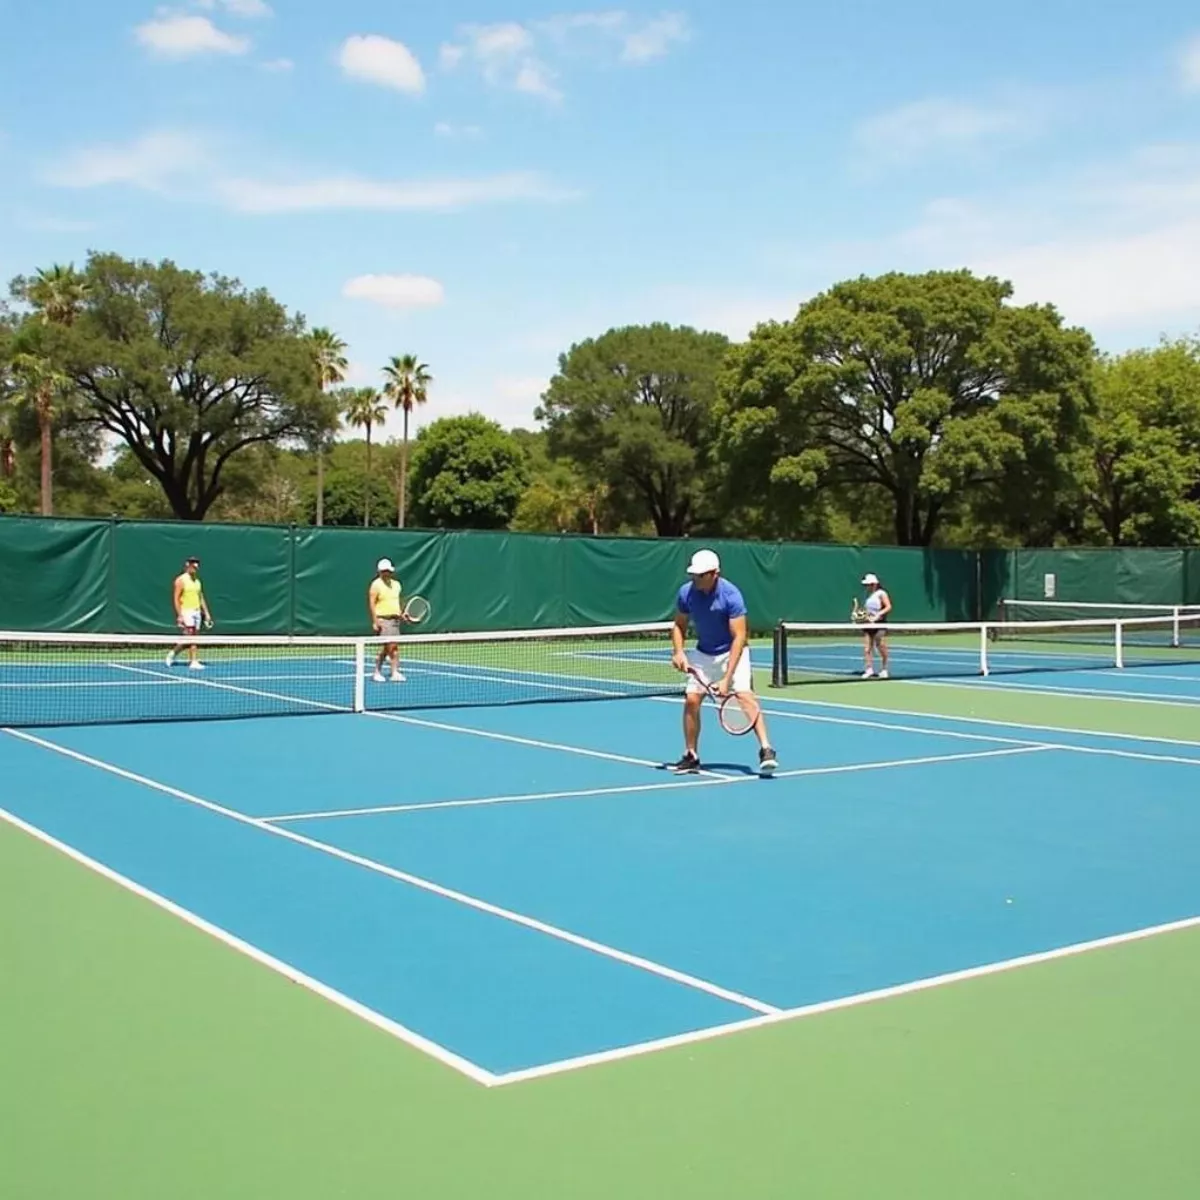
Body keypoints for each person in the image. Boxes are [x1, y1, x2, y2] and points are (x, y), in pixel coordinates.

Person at [669, 548, 778, 775]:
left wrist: (727, 678)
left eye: (701, 575)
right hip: (703, 652)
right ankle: (691, 755)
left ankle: (766, 749)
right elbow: (679, 625)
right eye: (694, 574)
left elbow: (739, 637)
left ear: (714, 574)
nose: (696, 578)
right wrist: (679, 652)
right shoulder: (686, 593)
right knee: (691, 700)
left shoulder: (731, 595)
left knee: (745, 696)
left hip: (733, 651)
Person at [167, 556, 212, 670]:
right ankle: (190, 660)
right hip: (186, 611)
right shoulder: (180, 580)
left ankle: (177, 654)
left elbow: (201, 597)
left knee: (192, 636)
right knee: (190, 636)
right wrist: (180, 615)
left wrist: (206, 614)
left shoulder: (197, 581)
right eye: (193, 564)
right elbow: (176, 598)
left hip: (197, 611)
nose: (195, 567)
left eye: (196, 564)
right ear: (187, 565)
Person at [368, 558, 406, 682]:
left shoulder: (396, 585)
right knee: (392, 647)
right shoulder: (376, 585)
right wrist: (375, 621)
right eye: (384, 571)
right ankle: (391, 672)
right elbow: (372, 603)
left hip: (395, 620)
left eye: (388, 571)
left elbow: (397, 601)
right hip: (383, 620)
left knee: (388, 648)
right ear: (379, 571)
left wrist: (402, 614)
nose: (386, 573)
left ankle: (381, 671)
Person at [859, 572, 892, 679]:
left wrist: (878, 615)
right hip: (868, 624)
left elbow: (888, 607)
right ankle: (869, 669)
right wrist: (863, 616)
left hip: (879, 624)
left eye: (868, 584)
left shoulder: (881, 593)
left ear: (874, 584)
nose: (866, 587)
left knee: (881, 646)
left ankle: (884, 669)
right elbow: (868, 610)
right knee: (867, 648)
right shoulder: (868, 596)